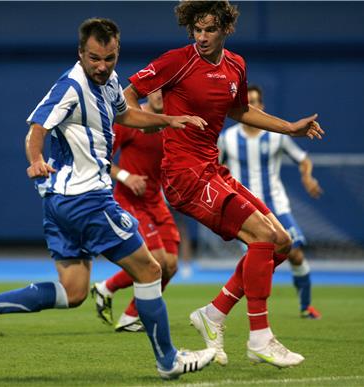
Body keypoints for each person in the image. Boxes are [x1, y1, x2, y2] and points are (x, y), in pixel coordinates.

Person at [0, 18, 215, 380]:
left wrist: (168, 120)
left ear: (116, 53)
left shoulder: (109, 85)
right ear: (80, 53)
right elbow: (36, 128)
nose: (102, 66)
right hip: (86, 200)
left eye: (109, 58)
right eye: (94, 58)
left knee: (73, 291)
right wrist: (36, 161)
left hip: (61, 203)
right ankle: (168, 360)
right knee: (152, 269)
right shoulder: (71, 86)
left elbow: (126, 115)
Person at [123, 1, 324, 368]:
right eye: (197, 30)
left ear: (225, 29)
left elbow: (239, 110)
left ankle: (214, 314)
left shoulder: (236, 65)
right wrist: (162, 120)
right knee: (263, 237)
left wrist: (290, 126)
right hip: (184, 177)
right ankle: (260, 337)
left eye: (209, 30)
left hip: (212, 170)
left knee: (281, 243)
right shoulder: (176, 60)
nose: (201, 37)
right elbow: (125, 97)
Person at [218, 85, 322, 319]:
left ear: (262, 106)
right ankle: (249, 312)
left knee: (295, 254)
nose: (252, 105)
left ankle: (306, 307)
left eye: (256, 101)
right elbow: (215, 166)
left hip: (277, 205)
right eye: (248, 102)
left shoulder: (277, 137)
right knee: (257, 262)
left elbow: (303, 159)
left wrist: (307, 176)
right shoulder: (228, 139)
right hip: (247, 210)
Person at [91, 90, 181, 332]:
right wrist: (126, 176)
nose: (161, 94)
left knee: (171, 265)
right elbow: (101, 159)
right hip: (129, 199)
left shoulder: (173, 121)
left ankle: (121, 305)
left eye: (167, 89)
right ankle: (128, 310)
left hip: (156, 201)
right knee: (158, 261)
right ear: (147, 92)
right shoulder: (131, 118)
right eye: (156, 89)